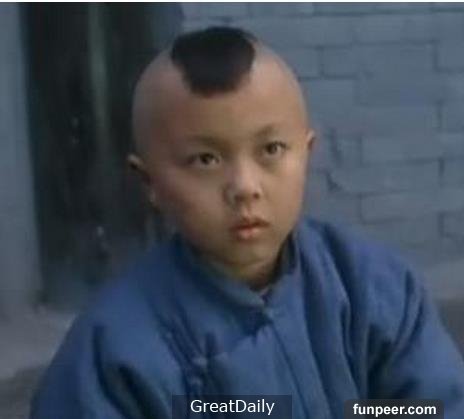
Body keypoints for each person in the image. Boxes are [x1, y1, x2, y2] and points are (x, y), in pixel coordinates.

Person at [30, 27, 464, 419]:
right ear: (150, 182)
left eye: (271, 149)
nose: (244, 187)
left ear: (306, 153)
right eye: (206, 159)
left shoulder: (372, 288)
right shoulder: (115, 351)